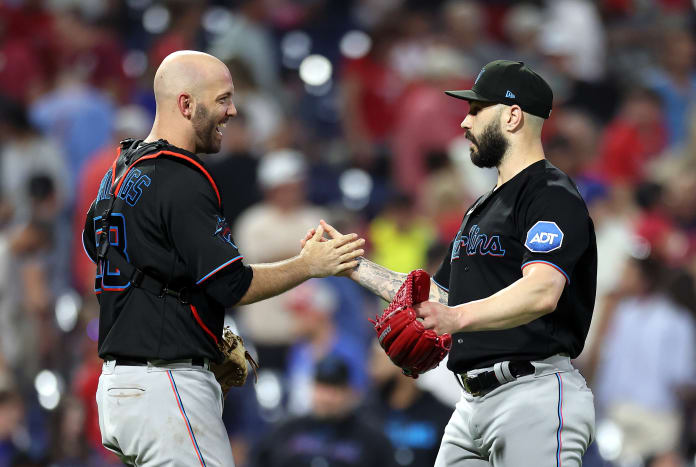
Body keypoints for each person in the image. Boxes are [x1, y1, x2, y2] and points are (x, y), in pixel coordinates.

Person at [80, 50, 364, 467]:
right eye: (223, 99)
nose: (232, 111)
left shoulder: (120, 170)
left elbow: (96, 249)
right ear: (186, 104)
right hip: (167, 385)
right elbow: (234, 284)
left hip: (120, 387)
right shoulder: (181, 177)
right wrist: (309, 264)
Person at [309, 60, 597, 466]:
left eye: (477, 109)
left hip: (533, 393)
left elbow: (543, 290)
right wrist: (353, 265)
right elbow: (437, 297)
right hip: (472, 403)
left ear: (513, 116)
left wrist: (456, 317)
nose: (464, 121)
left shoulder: (550, 194)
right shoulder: (481, 207)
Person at [252, 353, 398, 467]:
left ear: (349, 392)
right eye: (322, 388)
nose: (327, 397)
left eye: (335, 389)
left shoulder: (372, 440)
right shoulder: (285, 431)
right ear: (312, 388)